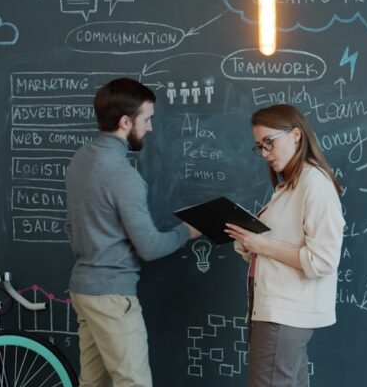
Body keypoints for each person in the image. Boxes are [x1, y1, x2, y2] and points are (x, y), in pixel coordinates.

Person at [65, 77, 200, 387]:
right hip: (112, 296)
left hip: (83, 289)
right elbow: (149, 247)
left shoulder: (80, 161)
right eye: (146, 119)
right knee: (133, 381)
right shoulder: (123, 176)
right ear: (126, 122)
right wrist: (188, 231)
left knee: (93, 382)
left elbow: (71, 227)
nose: (150, 128)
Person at [225, 104, 345, 387]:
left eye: (269, 142)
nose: (265, 153)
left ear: (296, 135)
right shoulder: (291, 186)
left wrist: (261, 244)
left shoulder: (314, 184)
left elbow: (323, 260)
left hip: (284, 313)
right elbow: (279, 245)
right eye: (260, 146)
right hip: (275, 309)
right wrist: (249, 242)